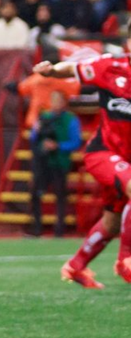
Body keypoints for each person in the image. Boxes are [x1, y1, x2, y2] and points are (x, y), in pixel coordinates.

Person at [34, 51, 131, 289]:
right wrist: (53, 70)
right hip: (103, 154)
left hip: (126, 164)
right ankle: (126, 260)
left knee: (111, 223)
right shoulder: (110, 66)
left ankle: (76, 266)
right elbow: (73, 68)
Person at [29, 91, 81, 237]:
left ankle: (59, 229)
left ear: (64, 103)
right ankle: (37, 227)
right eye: (53, 101)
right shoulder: (44, 117)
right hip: (43, 163)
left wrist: (57, 146)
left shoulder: (71, 119)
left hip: (60, 162)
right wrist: (36, 131)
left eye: (59, 101)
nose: (56, 104)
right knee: (35, 193)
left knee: (60, 194)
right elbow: (33, 138)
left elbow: (75, 142)